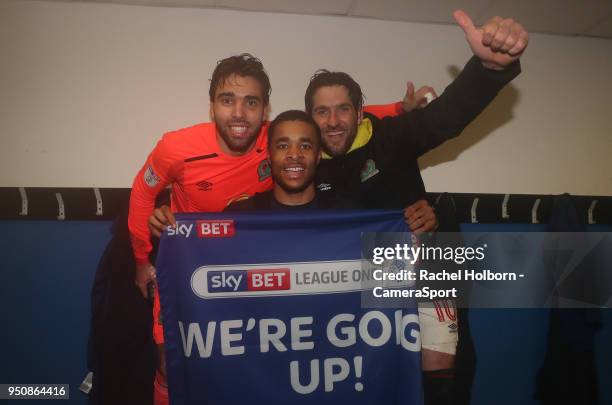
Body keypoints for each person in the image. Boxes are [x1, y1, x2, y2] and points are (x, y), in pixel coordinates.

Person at [130, 54, 434, 404]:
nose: (240, 114)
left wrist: (400, 108)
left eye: (252, 102)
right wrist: (143, 254)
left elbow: (335, 119)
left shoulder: (274, 140)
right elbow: (142, 192)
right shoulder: (176, 148)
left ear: (265, 110)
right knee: (173, 364)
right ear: (212, 106)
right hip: (193, 256)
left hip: (254, 247)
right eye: (228, 101)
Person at [302, 10, 528, 405]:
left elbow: (446, 119)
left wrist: (489, 68)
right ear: (311, 118)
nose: (333, 121)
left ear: (359, 112)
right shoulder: (305, 165)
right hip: (355, 305)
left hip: (425, 282)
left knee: (440, 386)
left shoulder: (394, 136)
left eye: (342, 110)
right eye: (322, 112)